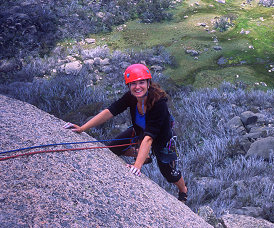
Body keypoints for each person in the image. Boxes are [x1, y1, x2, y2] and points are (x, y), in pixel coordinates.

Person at [63, 63, 188, 203]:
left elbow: (149, 137)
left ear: (148, 82)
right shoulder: (131, 97)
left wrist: (137, 166)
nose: (137, 87)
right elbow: (110, 111)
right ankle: (144, 155)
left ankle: (183, 190)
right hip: (140, 131)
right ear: (128, 85)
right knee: (113, 148)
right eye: (133, 83)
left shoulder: (159, 103)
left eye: (141, 82)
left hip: (161, 139)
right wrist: (82, 128)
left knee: (169, 174)